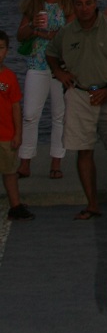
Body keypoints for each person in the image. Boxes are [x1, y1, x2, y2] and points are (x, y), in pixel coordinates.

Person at [47, 0, 107, 219]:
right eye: (79, 4)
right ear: (73, 6)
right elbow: (51, 53)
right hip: (79, 95)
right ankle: (92, 204)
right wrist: (59, 73)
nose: (84, 8)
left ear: (95, 3)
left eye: (88, 3)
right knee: (83, 151)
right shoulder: (67, 32)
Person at [15, 0, 74, 178]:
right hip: (37, 64)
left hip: (61, 66)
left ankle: (56, 163)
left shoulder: (69, 4)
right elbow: (20, 35)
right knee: (30, 114)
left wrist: (48, 34)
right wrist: (33, 27)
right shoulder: (34, 5)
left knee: (60, 115)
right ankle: (25, 161)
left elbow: (72, 34)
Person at [0, 31, 32, 221]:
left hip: (6, 135)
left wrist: (18, 134)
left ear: (7, 51)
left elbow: (15, 107)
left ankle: (15, 206)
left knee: (10, 171)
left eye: (1, 48)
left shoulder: (10, 77)